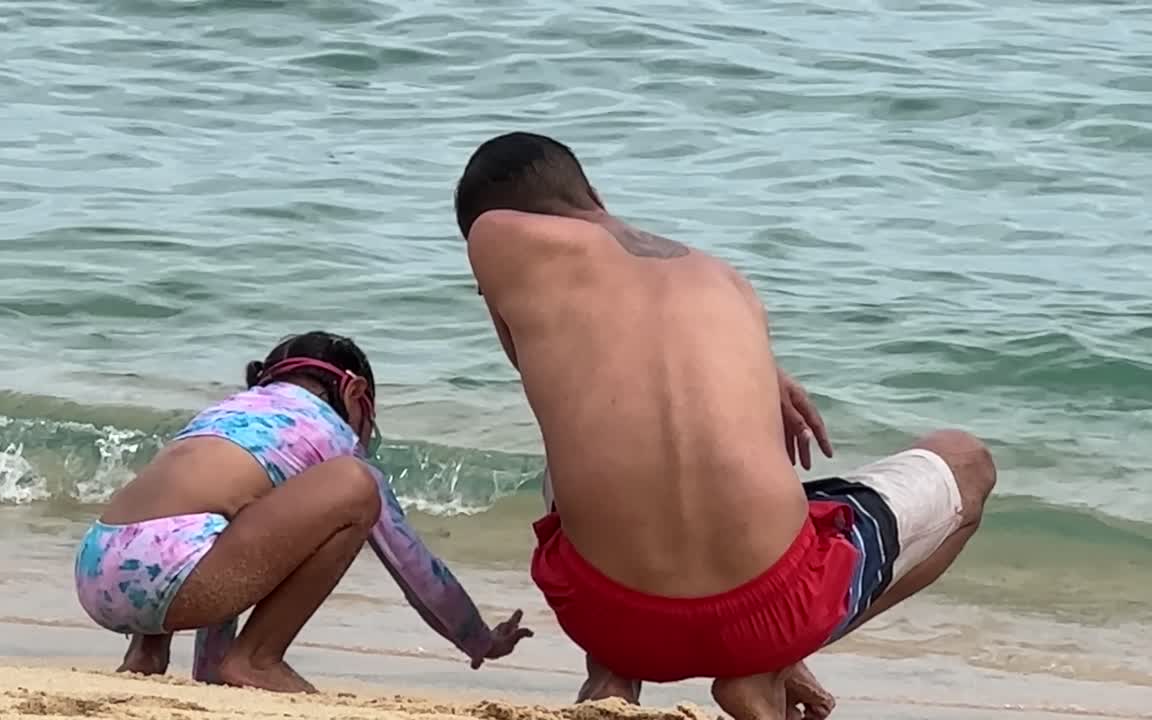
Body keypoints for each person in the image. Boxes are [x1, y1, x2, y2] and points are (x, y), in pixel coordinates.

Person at [454, 132, 997, 719]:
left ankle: (612, 676)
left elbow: (530, 358)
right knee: (967, 462)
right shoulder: (726, 281)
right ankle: (765, 667)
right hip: (772, 616)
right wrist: (768, 373)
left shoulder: (494, 236)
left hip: (609, 616)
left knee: (580, 434)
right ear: (593, 192)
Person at [73, 331, 532, 693]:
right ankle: (256, 658)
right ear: (354, 392)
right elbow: (411, 564)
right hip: (171, 574)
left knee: (215, 505)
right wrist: (479, 640)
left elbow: (227, 536)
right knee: (358, 486)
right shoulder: (333, 435)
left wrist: (209, 670)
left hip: (96, 568)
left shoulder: (226, 413)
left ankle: (146, 656)